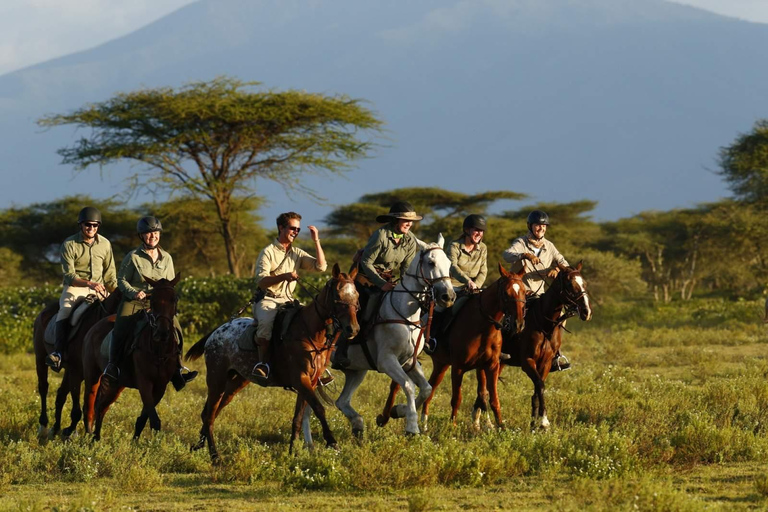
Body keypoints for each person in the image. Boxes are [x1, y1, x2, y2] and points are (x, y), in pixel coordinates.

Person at [102, 216, 198, 390]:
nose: (152, 236)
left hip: (157, 304)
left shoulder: (167, 258)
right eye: (148, 233)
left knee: (176, 328)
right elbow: (121, 280)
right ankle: (113, 366)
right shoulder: (132, 257)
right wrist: (134, 292)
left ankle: (178, 369)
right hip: (134, 301)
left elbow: (169, 284)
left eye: (155, 233)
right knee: (121, 328)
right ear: (141, 236)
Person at [333, 201, 422, 368]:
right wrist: (381, 284)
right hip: (365, 277)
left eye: (411, 221)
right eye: (405, 220)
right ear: (396, 221)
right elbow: (366, 262)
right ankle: (341, 351)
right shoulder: (380, 235)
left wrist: (405, 287)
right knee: (362, 307)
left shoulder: (410, 240)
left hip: (388, 280)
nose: (409, 224)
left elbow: (405, 268)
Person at [252, 212, 327, 385]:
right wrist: (283, 276)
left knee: (312, 322)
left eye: (298, 230)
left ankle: (317, 367)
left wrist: (316, 240)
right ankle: (262, 364)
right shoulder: (267, 252)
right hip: (269, 300)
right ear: (281, 228)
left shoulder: (297, 253)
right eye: (292, 228)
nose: (295, 232)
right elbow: (261, 281)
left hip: (289, 301)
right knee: (265, 327)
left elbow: (320, 267)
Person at [45, 207, 117, 371]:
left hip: (99, 288)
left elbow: (110, 274)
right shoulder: (69, 244)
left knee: (117, 311)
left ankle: (117, 356)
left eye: (95, 225)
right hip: (76, 287)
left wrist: (118, 292)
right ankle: (58, 353)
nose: (91, 228)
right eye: (87, 225)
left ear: (98, 226)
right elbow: (69, 275)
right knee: (65, 310)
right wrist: (89, 284)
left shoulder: (105, 244)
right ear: (80, 225)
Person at [502, 209, 572, 371]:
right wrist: (524, 255)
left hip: (541, 294)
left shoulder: (549, 246)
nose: (541, 228)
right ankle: (502, 349)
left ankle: (555, 355)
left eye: (544, 226)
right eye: (537, 225)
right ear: (530, 226)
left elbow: (565, 264)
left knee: (559, 316)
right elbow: (507, 255)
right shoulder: (521, 242)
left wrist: (558, 269)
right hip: (521, 292)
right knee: (510, 318)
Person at [425, 214, 488, 355]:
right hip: (453, 285)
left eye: (481, 231)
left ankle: (491, 345)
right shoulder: (454, 246)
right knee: (443, 308)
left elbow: (484, 270)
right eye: (475, 230)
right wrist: (468, 281)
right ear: (467, 230)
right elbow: (453, 267)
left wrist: (476, 285)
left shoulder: (483, 248)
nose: (479, 234)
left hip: (474, 288)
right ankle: (432, 339)